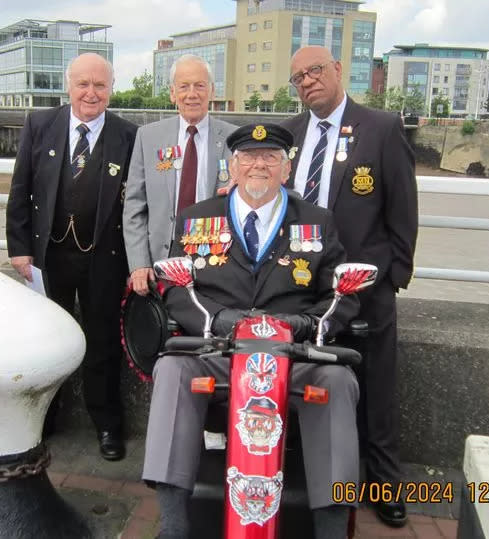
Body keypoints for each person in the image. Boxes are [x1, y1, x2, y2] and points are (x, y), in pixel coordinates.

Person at [143, 123, 360, 539]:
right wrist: (220, 320)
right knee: (172, 371)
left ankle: (331, 528)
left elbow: (342, 293)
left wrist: (307, 324)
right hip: (219, 352)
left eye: (270, 157)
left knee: (336, 380)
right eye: (248, 157)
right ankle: (173, 525)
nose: (259, 164)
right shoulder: (195, 219)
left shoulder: (317, 221)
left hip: (293, 357)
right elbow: (173, 286)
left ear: (286, 168)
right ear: (232, 166)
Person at [282, 45, 418, 527]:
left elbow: (402, 205)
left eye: (315, 70)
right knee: (313, 381)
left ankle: (384, 484)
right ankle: (311, 480)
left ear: (338, 70)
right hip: (305, 287)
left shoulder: (380, 128)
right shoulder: (291, 135)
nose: (308, 81)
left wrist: (394, 277)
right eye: (298, 77)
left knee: (377, 387)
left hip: (366, 286)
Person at [6, 53, 137, 461]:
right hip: (50, 257)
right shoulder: (40, 125)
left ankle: (108, 426)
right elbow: (21, 189)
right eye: (83, 84)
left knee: (102, 344)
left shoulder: (128, 134)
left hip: (105, 260)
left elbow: (137, 202)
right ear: (69, 85)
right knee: (47, 343)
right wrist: (19, 248)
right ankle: (44, 421)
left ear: (111, 89)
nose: (91, 93)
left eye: (100, 85)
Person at [123, 54, 235, 296]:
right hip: (159, 264)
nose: (192, 94)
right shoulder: (148, 137)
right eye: (184, 86)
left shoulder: (234, 140)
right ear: (173, 93)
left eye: (199, 85)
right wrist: (139, 263)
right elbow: (134, 205)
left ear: (212, 91)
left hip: (217, 264)